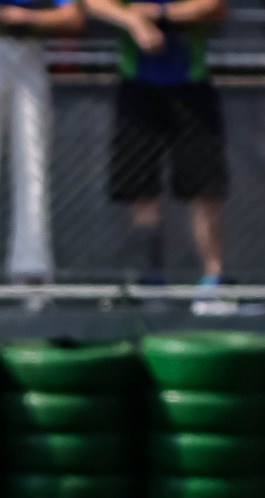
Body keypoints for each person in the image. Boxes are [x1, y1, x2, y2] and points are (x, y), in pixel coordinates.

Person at [83, 0, 230, 292]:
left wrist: (162, 14)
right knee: (140, 184)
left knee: (204, 185)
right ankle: (151, 278)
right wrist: (132, 20)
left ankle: (212, 281)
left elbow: (215, 6)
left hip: (191, 84)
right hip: (138, 85)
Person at [0, 0, 83, 300]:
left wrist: (27, 18)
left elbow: (73, 17)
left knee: (32, 161)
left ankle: (31, 272)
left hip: (31, 48)